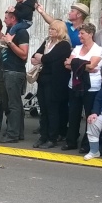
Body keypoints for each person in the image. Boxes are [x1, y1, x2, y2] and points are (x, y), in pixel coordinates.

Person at [63, 23, 102, 152]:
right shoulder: (77, 48)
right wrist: (83, 66)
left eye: (82, 33)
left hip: (91, 88)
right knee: (73, 113)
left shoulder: (97, 49)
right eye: (79, 33)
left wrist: (75, 64)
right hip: (74, 85)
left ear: (90, 34)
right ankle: (71, 141)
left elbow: (91, 65)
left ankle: (87, 143)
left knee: (89, 115)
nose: (79, 36)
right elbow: (67, 65)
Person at [31, 20, 72, 149]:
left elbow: (48, 58)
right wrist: (40, 57)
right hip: (43, 79)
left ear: (59, 30)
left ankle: (52, 137)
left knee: (52, 110)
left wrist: (41, 58)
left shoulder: (64, 45)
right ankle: (43, 136)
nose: (50, 31)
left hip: (55, 82)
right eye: (50, 29)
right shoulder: (47, 42)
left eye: (53, 29)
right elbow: (34, 56)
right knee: (43, 110)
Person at [0, 10, 29, 143]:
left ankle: (12, 134)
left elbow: (23, 54)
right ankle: (17, 132)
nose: (4, 20)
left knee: (13, 104)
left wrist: (9, 43)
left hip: (14, 72)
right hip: (9, 71)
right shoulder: (12, 31)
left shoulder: (21, 33)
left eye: (6, 18)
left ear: (13, 18)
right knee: (16, 104)